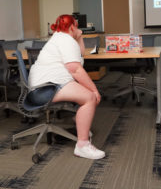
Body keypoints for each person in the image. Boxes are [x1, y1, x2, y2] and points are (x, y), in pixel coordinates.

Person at [28, 14, 105, 160]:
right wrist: (94, 89)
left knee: (86, 92)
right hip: (46, 88)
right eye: (77, 27)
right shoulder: (66, 41)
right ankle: (82, 146)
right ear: (72, 27)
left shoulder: (59, 38)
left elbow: (80, 55)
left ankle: (81, 120)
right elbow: (75, 69)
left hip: (43, 85)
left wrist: (80, 36)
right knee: (90, 97)